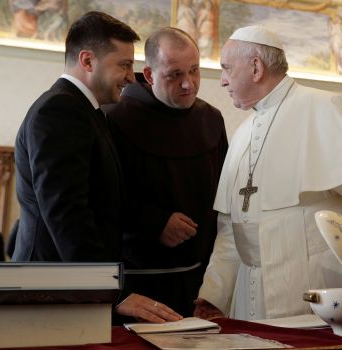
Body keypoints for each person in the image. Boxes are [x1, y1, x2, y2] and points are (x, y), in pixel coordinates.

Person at [194, 25, 342, 321]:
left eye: (227, 69)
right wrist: (214, 295)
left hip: (319, 285)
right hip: (250, 296)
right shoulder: (242, 133)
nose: (222, 81)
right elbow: (231, 229)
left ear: (256, 67)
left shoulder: (321, 106)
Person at [12, 11, 181, 323]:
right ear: (88, 61)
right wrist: (111, 291)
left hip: (70, 287)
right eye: (124, 64)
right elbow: (66, 212)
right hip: (53, 292)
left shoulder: (88, 112)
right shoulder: (60, 110)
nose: (132, 77)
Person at [105, 27, 228, 317]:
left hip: (198, 282)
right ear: (149, 75)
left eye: (195, 71)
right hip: (134, 283)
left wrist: (217, 285)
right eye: (175, 75)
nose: (189, 84)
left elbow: (223, 198)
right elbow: (99, 197)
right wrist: (152, 222)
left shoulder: (211, 119)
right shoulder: (114, 117)